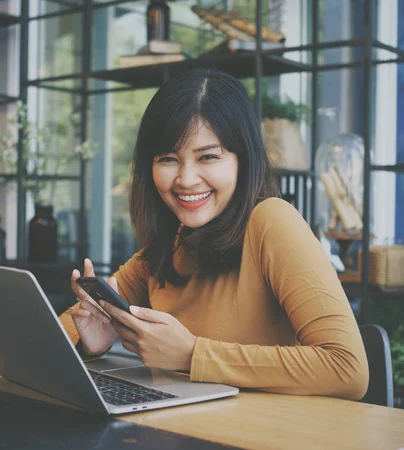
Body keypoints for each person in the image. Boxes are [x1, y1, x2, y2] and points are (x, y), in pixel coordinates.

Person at [59, 69, 369, 400]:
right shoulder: (168, 246)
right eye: (168, 159)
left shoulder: (271, 221)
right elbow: (56, 332)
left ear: (242, 160)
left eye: (208, 156)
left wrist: (193, 355)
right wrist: (89, 340)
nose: (186, 179)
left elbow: (347, 368)